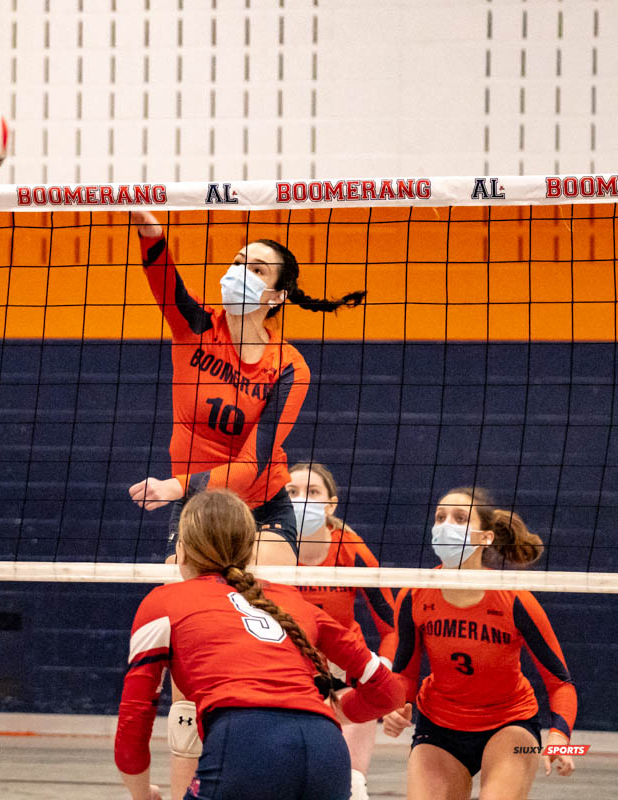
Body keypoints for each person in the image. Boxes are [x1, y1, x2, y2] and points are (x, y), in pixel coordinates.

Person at [125, 211, 366, 797]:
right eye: (237, 261)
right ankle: (196, 782)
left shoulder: (289, 365)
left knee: (273, 626)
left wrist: (175, 487)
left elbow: (256, 464)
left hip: (260, 503)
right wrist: (149, 229)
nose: (238, 271)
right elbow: (164, 281)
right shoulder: (196, 325)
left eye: (255, 267)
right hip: (203, 513)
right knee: (190, 649)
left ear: (277, 294)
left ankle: (320, 761)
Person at [115, 489, 405, 800]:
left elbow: (134, 720)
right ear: (249, 550)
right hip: (326, 751)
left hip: (244, 747)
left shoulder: (162, 602)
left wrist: (141, 794)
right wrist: (331, 712)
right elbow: (389, 693)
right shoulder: (294, 603)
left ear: (182, 549)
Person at [382, 487, 578, 800]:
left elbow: (561, 683)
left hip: (509, 723)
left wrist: (560, 736)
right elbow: (404, 672)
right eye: (440, 517)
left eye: (460, 519)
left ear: (485, 538)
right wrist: (395, 706)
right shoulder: (414, 595)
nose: (446, 525)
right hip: (439, 726)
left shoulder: (515, 601)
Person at [287, 461, 396, 800]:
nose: (301, 500)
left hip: (343, 668)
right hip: (289, 669)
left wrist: (386, 677)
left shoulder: (352, 549)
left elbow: (391, 629)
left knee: (348, 782)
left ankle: (355, 780)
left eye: (312, 492)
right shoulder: (267, 548)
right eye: (291, 492)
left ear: (331, 504)